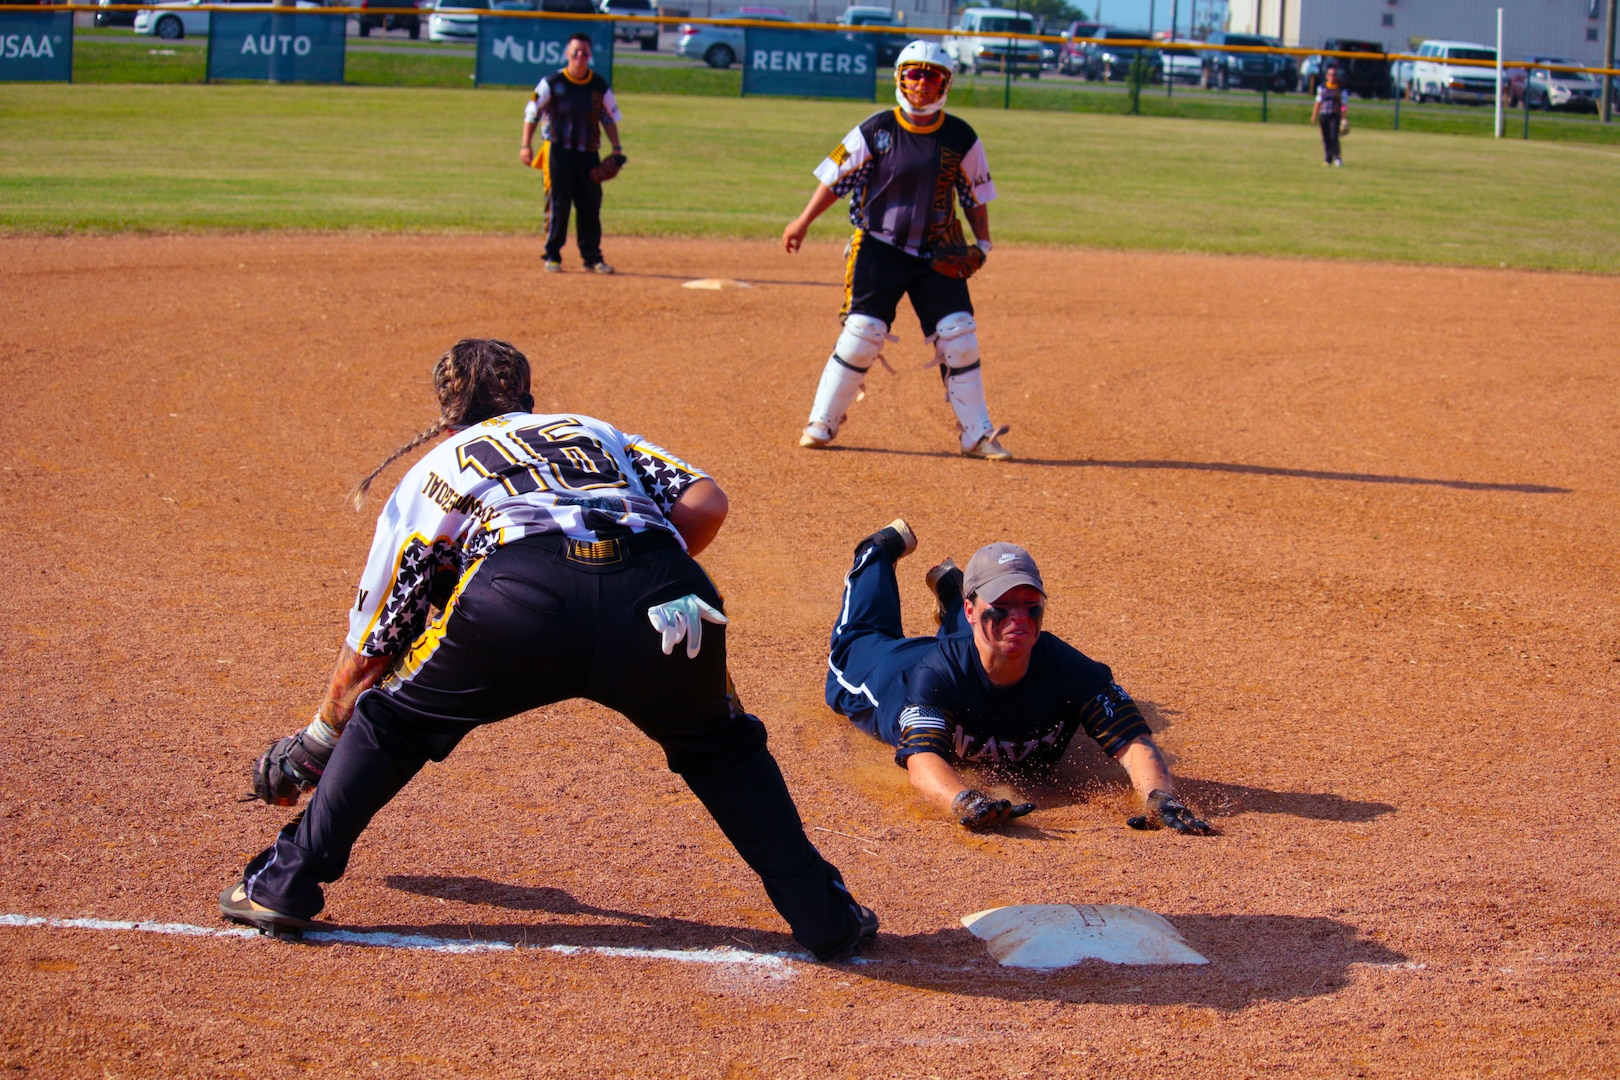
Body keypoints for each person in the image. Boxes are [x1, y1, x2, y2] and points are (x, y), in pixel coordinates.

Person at [220, 338, 877, 962]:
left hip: (520, 602)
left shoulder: (437, 468)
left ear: (445, 415)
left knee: (393, 724)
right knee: (721, 747)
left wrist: (314, 744)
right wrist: (631, 578)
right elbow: (705, 503)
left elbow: (373, 648)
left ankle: (284, 884)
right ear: (530, 397)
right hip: (670, 597)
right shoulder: (590, 430)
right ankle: (825, 917)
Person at [823, 519, 1214, 834]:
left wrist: (1159, 796)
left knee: (996, 641)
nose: (1020, 618)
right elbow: (923, 761)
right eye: (1003, 604)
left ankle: (952, 592)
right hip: (893, 673)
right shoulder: (933, 675)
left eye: (1031, 605)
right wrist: (964, 800)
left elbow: (1134, 743)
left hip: (974, 645)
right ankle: (876, 552)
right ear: (974, 608)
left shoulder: (1068, 667)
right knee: (857, 644)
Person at [782, 39, 1011, 461]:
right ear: (900, 78)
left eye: (933, 75)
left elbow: (975, 195)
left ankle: (977, 435)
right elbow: (836, 176)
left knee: (959, 335)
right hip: (878, 248)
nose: (922, 83)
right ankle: (822, 421)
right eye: (914, 73)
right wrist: (803, 220)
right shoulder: (875, 128)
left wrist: (982, 243)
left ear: (946, 83)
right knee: (862, 334)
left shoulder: (962, 136)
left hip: (936, 253)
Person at [519, 33, 623, 274]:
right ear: (567, 53)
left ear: (590, 56)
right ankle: (552, 255)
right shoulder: (553, 82)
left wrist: (616, 148)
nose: (579, 57)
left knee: (590, 206)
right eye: (575, 52)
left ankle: (592, 257)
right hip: (558, 153)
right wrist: (526, 145)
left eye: (584, 53)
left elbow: (609, 118)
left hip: (588, 155)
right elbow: (531, 113)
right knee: (558, 204)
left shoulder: (598, 86)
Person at [1310, 65, 1347, 167]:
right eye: (1330, 75)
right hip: (1324, 115)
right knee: (1325, 137)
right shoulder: (1322, 87)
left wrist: (1344, 119)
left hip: (1334, 115)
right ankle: (1328, 158)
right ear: (1327, 76)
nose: (1332, 77)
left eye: (1334, 75)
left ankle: (1338, 157)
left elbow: (1343, 105)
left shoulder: (1340, 89)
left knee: (1333, 137)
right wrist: (1314, 115)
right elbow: (1318, 102)